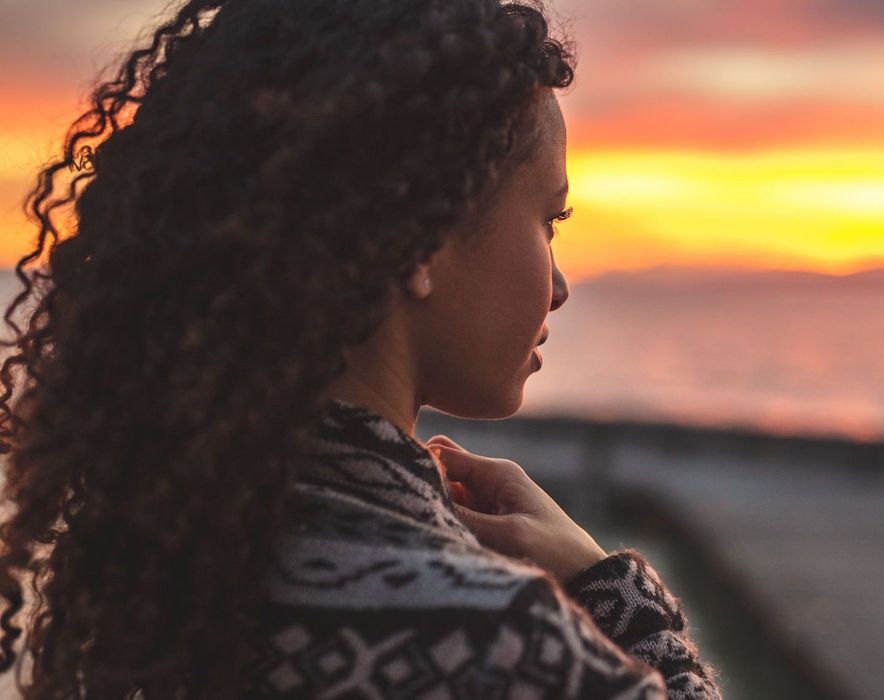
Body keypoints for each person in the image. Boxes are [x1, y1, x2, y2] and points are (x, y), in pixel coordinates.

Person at [0, 0, 724, 697]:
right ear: (420, 239)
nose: (560, 285)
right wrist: (607, 586)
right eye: (550, 219)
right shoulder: (505, 651)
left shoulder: (180, 560)